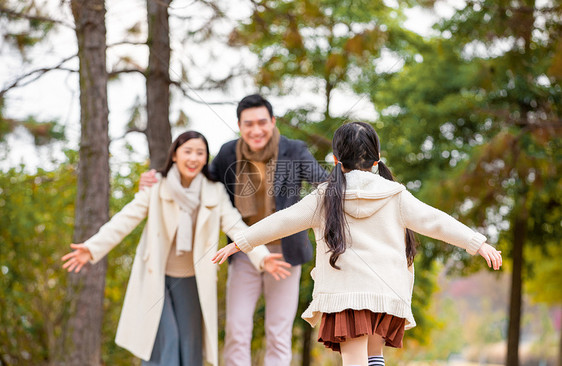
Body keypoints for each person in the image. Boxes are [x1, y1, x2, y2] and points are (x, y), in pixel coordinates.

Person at [212, 122, 503, 366]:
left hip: (346, 295)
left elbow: (281, 221)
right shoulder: (395, 194)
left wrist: (241, 242)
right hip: (384, 294)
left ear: (336, 160)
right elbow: (436, 221)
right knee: (374, 357)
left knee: (354, 362)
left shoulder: (324, 197)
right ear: (377, 158)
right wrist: (478, 243)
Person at [61, 131, 291, 366]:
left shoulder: (214, 191)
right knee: (165, 340)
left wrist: (263, 257)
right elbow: (126, 219)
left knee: (190, 346)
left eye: (200, 153)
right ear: (174, 155)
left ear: (205, 159)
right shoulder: (157, 187)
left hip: (193, 279)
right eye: (187, 151)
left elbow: (236, 226)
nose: (193, 158)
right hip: (156, 277)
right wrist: (91, 248)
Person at [140, 94, 328, 365]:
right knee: (237, 330)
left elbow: (323, 184)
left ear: (273, 122)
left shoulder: (294, 150)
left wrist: (353, 177)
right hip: (243, 249)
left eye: (262, 122)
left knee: (279, 331)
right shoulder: (229, 152)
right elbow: (201, 178)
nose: (256, 130)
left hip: (285, 251)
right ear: (239, 125)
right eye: (248, 124)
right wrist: (158, 176)